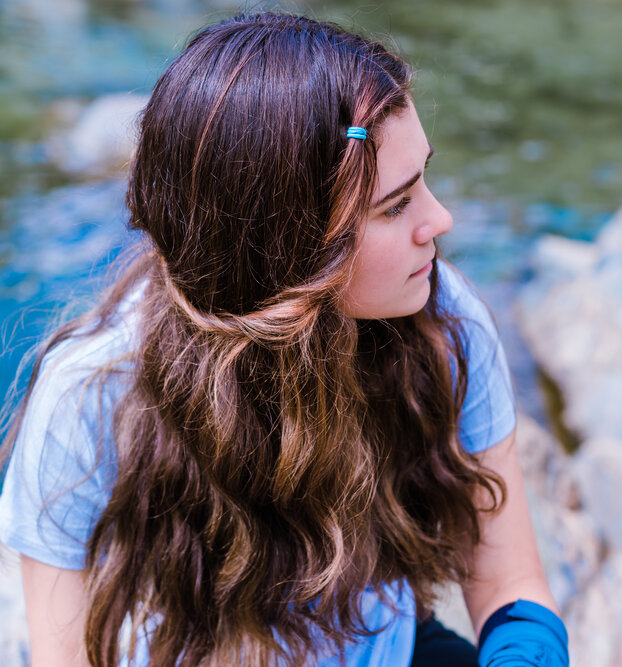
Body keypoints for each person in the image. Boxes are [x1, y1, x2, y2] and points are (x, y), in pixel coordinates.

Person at [0, 12, 568, 667]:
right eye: (395, 206)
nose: (440, 220)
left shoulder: (446, 324)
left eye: (424, 183)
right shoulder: (94, 391)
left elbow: (510, 586)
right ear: (289, 249)